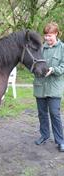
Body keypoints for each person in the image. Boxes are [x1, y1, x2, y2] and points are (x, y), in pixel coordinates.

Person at [33, 22, 64, 152]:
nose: (47, 38)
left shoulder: (62, 48)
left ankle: (60, 141)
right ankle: (44, 135)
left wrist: (54, 70)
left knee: (54, 113)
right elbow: (33, 62)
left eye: (50, 35)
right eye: (45, 35)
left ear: (56, 34)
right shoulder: (40, 48)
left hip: (54, 87)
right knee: (42, 113)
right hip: (40, 87)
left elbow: (63, 66)